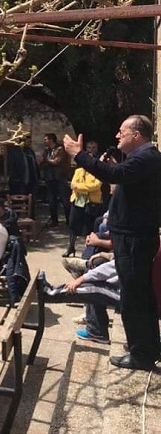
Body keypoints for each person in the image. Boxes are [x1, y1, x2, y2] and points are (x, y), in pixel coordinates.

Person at [63, 115, 161, 370]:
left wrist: (79, 155)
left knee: (133, 297)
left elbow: (113, 174)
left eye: (122, 132)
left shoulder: (146, 158)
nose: (117, 136)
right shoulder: (142, 158)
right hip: (132, 238)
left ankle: (141, 354)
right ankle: (147, 346)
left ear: (136, 135)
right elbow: (122, 177)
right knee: (139, 295)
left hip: (134, 240)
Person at [42, 259, 120, 344]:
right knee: (93, 278)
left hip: (126, 296)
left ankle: (48, 293)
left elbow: (116, 265)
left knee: (93, 289)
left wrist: (81, 279)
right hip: (125, 289)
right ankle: (96, 331)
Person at [62, 164, 101, 257]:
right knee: (72, 224)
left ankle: (88, 251)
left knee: (88, 226)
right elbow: (72, 184)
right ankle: (71, 247)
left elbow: (95, 186)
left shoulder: (97, 172)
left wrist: (79, 187)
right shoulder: (78, 171)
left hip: (91, 202)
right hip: (77, 201)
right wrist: (85, 188)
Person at [41, 133, 72, 227]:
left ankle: (69, 220)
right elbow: (43, 162)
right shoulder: (47, 151)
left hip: (60, 178)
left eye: (46, 139)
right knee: (52, 200)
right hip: (50, 178)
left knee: (64, 199)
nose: (44, 141)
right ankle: (54, 220)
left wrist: (46, 161)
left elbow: (57, 161)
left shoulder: (60, 149)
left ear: (51, 140)